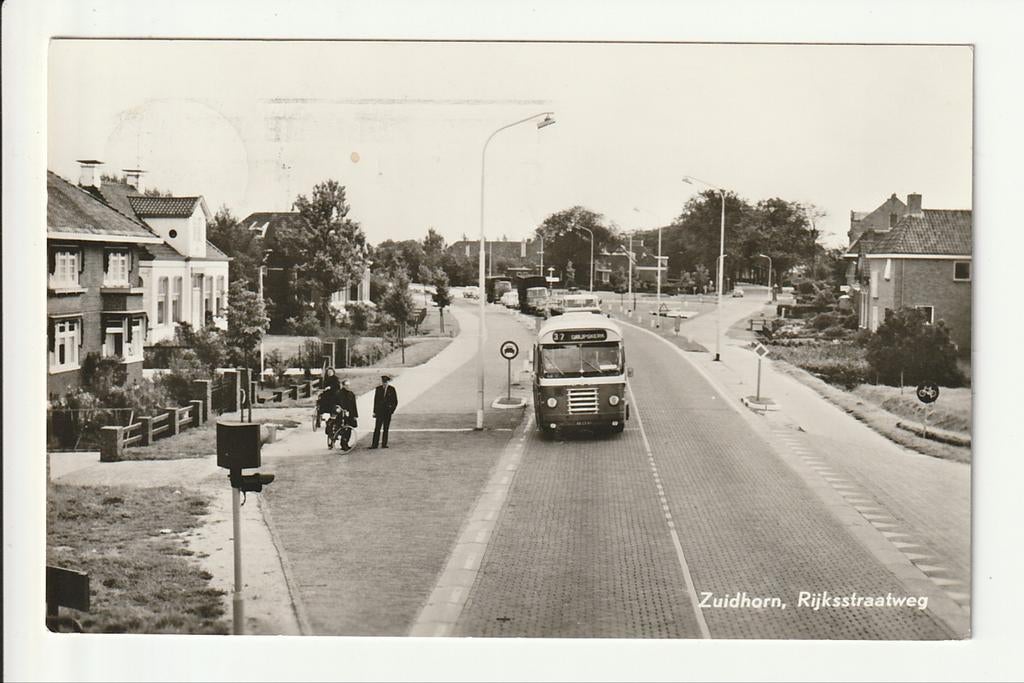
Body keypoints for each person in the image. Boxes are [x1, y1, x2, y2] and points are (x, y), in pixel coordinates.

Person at [370, 374, 398, 449]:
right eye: (383, 382)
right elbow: (375, 401)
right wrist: (374, 412)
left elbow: (395, 401)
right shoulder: (378, 389)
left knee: (386, 428)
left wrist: (391, 410)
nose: (384, 384)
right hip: (379, 412)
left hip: (387, 412)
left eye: (385, 382)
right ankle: (374, 444)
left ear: (388, 382)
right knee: (377, 428)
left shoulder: (392, 389)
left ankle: (384, 444)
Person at [338, 378, 358, 451]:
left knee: (349, 429)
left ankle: (346, 443)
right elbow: (337, 404)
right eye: (346, 385)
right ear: (343, 385)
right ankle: (343, 444)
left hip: (350, 414)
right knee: (344, 430)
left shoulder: (351, 394)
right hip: (342, 415)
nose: (347, 387)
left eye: (348, 385)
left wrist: (355, 415)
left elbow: (354, 405)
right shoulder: (339, 393)